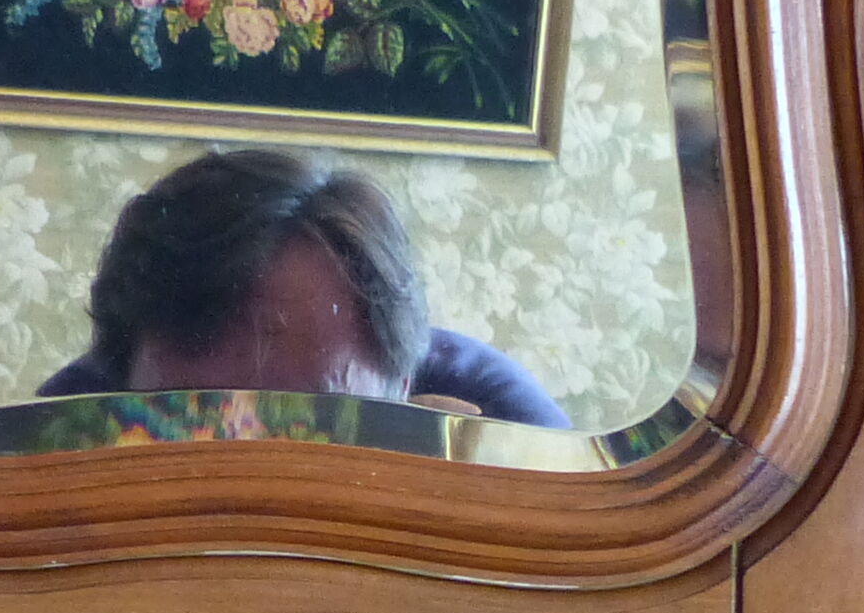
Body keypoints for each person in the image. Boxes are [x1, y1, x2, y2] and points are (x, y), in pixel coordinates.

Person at [38, 146, 570, 425]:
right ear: (111, 391)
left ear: (405, 390)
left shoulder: (515, 442)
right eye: (192, 419)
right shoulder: (56, 440)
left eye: (319, 423)